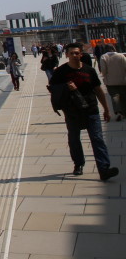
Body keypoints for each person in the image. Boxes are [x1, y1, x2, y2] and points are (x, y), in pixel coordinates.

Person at [48, 43, 118, 180]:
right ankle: (78, 164)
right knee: (74, 139)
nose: (74, 55)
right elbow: (53, 90)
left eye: (77, 53)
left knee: (97, 139)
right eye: (72, 53)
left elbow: (98, 90)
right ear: (67, 55)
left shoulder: (89, 70)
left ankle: (104, 169)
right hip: (72, 111)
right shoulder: (60, 72)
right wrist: (67, 88)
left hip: (91, 109)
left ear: (81, 54)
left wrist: (106, 109)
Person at [99, 49, 126, 121]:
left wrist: (104, 76)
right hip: (122, 80)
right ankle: (124, 112)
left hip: (110, 81)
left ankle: (118, 112)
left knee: (114, 96)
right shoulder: (121, 56)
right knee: (123, 96)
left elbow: (103, 70)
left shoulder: (103, 57)